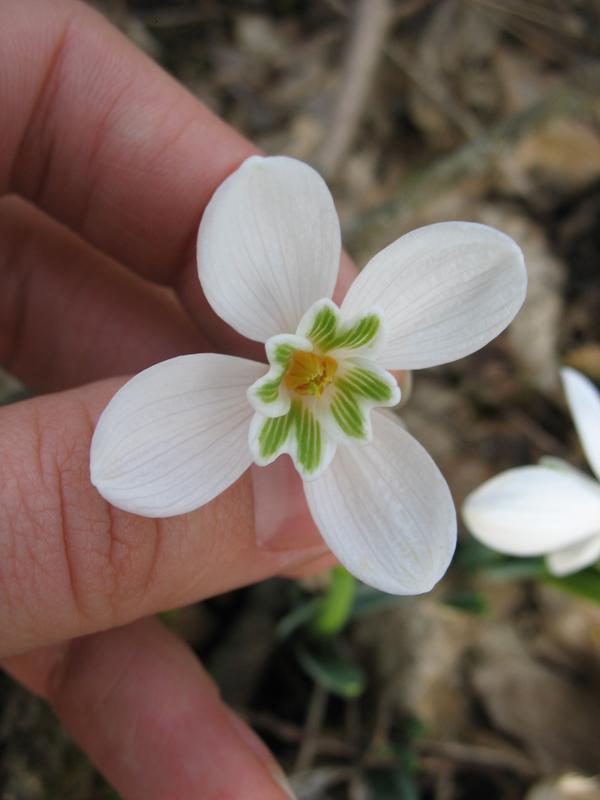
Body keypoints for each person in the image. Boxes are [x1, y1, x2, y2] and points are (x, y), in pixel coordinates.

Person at [0, 1, 355, 797]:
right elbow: (263, 195)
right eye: (313, 366)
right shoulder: (291, 358)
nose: (314, 375)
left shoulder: (332, 388)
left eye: (321, 373)